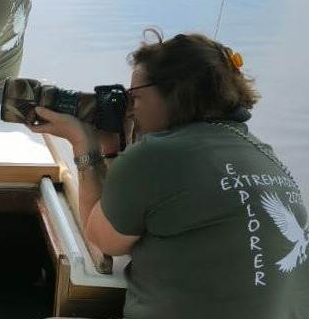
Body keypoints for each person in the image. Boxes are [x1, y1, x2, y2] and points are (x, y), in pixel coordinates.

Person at [29, 31, 309, 319]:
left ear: (173, 92)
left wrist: (83, 145)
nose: (130, 109)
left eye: (134, 97)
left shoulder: (156, 154)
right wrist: (114, 149)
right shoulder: (263, 153)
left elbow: (103, 239)